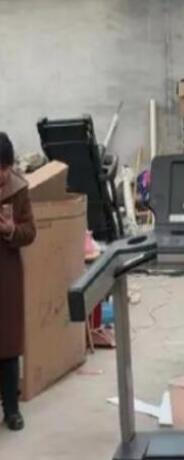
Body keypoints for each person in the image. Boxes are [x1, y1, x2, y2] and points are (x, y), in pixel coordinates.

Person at [0, 132, 36, 431]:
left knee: (9, 344)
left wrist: (12, 230)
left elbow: (30, 232)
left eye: (4, 168)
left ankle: (11, 409)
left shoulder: (19, 189)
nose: (2, 175)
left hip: (7, 273)